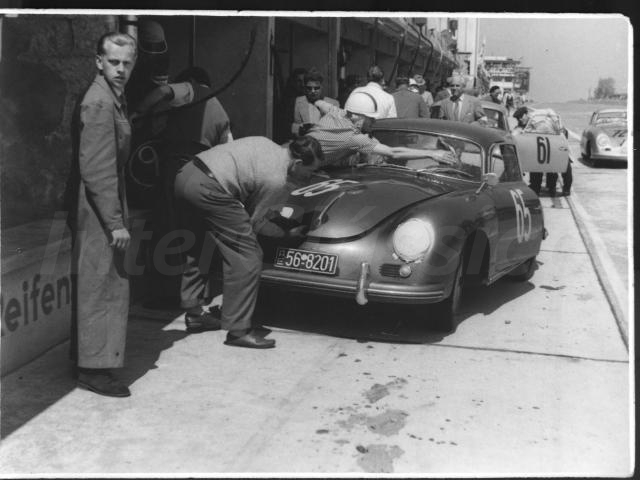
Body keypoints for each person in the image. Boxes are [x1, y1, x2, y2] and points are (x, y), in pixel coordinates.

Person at [173, 136, 325, 349]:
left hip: (186, 175)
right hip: (211, 189)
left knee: (202, 243)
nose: (310, 177)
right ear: (297, 163)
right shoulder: (276, 179)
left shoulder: (267, 144)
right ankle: (239, 330)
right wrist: (285, 234)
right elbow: (255, 223)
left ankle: (195, 313)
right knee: (248, 255)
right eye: (310, 172)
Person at [133, 66, 234, 331]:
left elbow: (163, 91)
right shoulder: (222, 109)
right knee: (197, 236)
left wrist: (137, 114)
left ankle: (163, 295)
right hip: (206, 172)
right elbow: (226, 150)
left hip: (178, 165)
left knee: (166, 227)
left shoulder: (191, 90)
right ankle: (194, 300)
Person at [70, 32, 137, 397]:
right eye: (114, 62)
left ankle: (87, 358)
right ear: (99, 61)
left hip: (106, 198)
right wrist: (115, 222)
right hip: (99, 204)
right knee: (102, 284)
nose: (121, 69)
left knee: (102, 281)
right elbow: (96, 168)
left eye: (127, 63)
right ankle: (94, 370)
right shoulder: (99, 102)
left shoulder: (114, 98)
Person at [309, 91, 455, 167]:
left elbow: (322, 104)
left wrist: (316, 100)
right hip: (299, 168)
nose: (374, 121)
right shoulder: (353, 138)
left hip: (291, 152)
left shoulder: (337, 112)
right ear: (360, 116)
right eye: (371, 118)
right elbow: (393, 152)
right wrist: (432, 154)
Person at [512, 106, 556, 196]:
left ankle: (551, 188)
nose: (520, 119)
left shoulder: (538, 120)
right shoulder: (524, 123)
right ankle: (536, 188)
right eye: (518, 118)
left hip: (549, 146)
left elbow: (542, 131)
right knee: (536, 170)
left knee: (551, 169)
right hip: (537, 150)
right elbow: (516, 132)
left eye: (521, 117)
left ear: (527, 114)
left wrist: (526, 132)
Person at [291, 68, 339, 138]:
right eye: (309, 88)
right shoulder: (299, 101)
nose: (313, 91)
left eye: (316, 88)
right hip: (305, 141)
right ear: (304, 88)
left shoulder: (333, 103)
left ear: (322, 87)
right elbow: (295, 127)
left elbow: (336, 129)